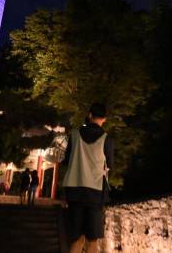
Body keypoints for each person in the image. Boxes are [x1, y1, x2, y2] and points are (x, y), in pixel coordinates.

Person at [61, 102, 114, 253]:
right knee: (92, 239)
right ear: (104, 119)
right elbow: (109, 165)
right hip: (95, 193)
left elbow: (67, 161)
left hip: (75, 191)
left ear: (89, 115)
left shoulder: (75, 135)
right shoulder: (107, 139)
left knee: (76, 238)